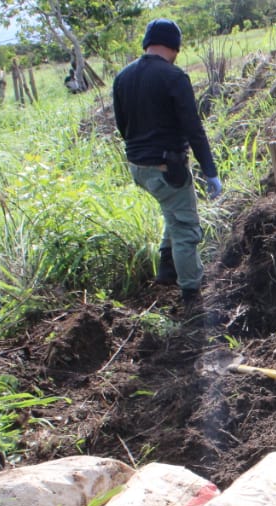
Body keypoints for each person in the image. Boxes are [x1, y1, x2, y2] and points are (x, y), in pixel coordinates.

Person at [113, 19, 223, 307]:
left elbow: (122, 126)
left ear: (147, 44)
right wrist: (210, 172)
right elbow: (193, 128)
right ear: (174, 47)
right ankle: (191, 294)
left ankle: (166, 266)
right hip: (167, 168)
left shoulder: (123, 77)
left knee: (171, 209)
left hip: (139, 167)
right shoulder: (174, 77)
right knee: (186, 228)